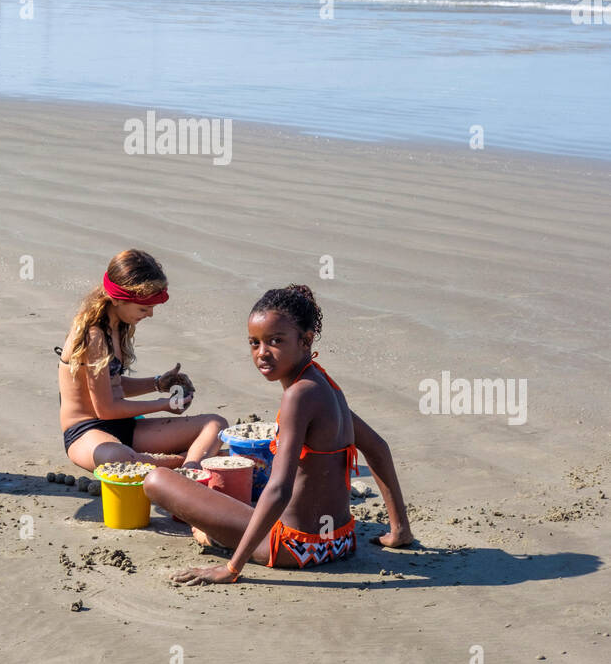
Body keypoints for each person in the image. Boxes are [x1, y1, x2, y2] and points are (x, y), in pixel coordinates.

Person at [146, 283, 413, 585]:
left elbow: (279, 490)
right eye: (254, 343)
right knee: (236, 500)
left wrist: (232, 569)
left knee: (157, 481)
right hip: (338, 541)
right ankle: (219, 532)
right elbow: (377, 447)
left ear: (305, 340)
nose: (262, 353)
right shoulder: (325, 385)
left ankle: (220, 542)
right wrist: (398, 528)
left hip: (295, 547)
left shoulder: (297, 396)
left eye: (275, 341)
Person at [57, 249, 227, 472]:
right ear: (118, 299)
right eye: (144, 308)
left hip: (127, 426)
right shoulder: (94, 335)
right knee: (117, 456)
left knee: (216, 424)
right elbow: (105, 409)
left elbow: (112, 385)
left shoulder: (118, 324)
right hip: (88, 432)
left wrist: (157, 383)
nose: (150, 314)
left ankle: (186, 467)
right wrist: (165, 405)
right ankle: (185, 463)